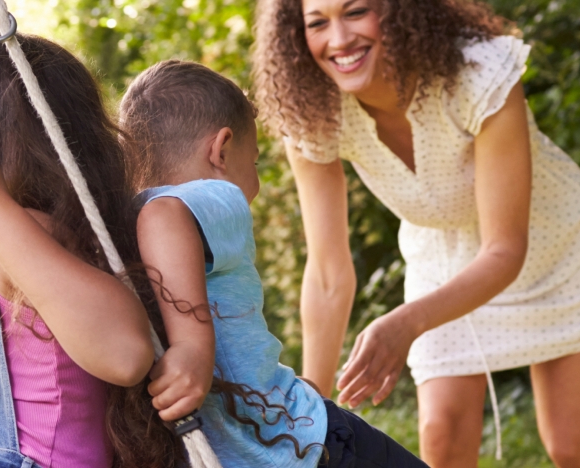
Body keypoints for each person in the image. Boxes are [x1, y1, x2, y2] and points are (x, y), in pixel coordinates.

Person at [252, 0, 580, 466]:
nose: (339, 39)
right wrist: (311, 411)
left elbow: (506, 249)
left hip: (551, 245)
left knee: (571, 445)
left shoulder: (476, 71)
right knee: (441, 436)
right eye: (318, 23)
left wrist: (404, 323)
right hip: (442, 256)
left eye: (356, 11)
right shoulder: (313, 108)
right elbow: (327, 270)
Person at [120, 59, 426, 468]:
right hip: (314, 444)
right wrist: (193, 346)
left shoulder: (123, 221)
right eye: (257, 161)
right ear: (222, 150)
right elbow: (165, 213)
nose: (256, 183)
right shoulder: (210, 193)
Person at [0, 34, 162, 468]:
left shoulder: (31, 229)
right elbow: (24, 354)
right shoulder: (7, 242)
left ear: (7, 128)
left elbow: (126, 353)